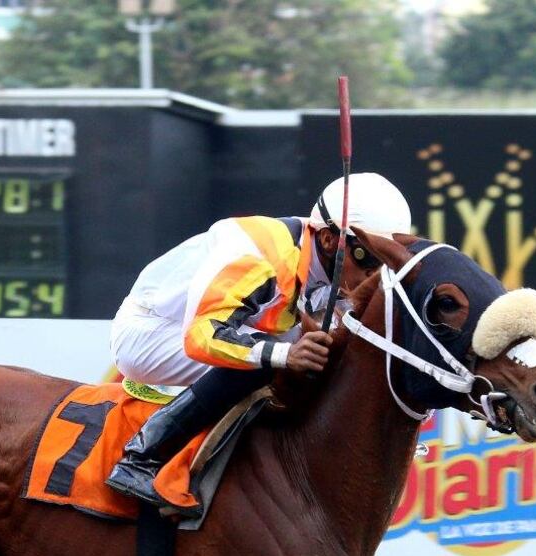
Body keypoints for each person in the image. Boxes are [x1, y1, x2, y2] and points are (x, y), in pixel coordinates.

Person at [106, 172, 413, 514]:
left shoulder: (331, 261)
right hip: (154, 332)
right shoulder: (259, 258)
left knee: (319, 353)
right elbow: (201, 337)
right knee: (269, 362)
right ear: (330, 240)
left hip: (222, 326)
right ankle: (141, 457)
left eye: (386, 260)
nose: (375, 274)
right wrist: (284, 354)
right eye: (370, 259)